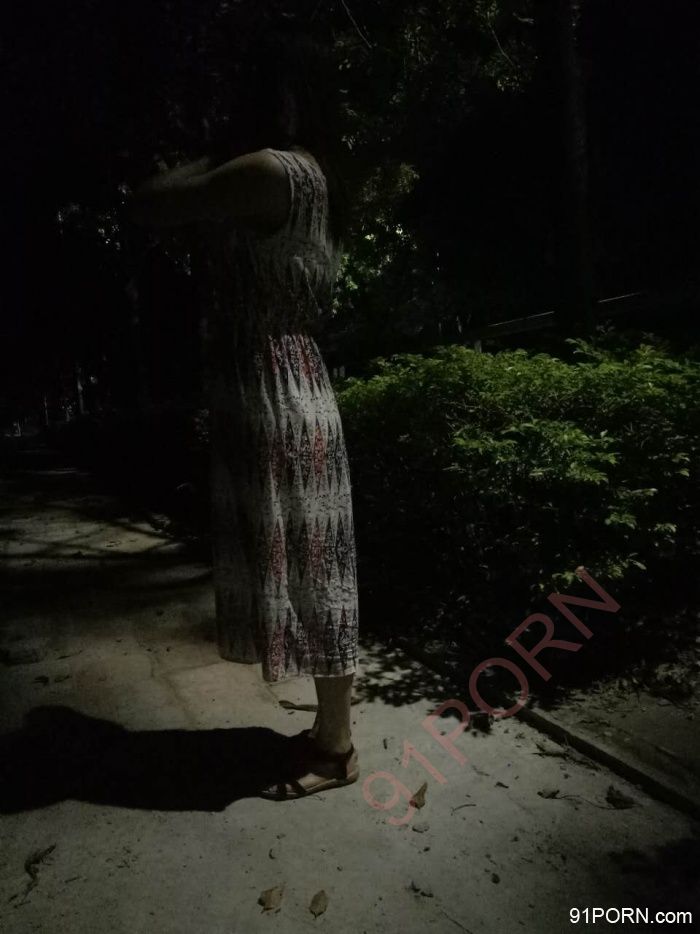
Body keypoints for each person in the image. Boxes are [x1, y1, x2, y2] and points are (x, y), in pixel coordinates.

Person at [126, 27, 360, 799]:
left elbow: (148, 203)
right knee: (313, 564)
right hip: (282, 383)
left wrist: (214, 152)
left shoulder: (268, 171)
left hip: (277, 390)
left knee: (317, 570)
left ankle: (337, 749)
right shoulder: (308, 171)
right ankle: (329, 735)